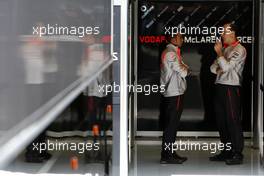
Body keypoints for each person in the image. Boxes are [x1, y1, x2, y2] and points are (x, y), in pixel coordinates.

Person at [209, 23, 246, 165]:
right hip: (220, 87)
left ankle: (237, 153)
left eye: (224, 32)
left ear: (233, 33)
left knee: (232, 120)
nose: (222, 35)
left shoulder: (240, 49)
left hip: (231, 88)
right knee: (221, 121)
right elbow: (213, 68)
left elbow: (226, 67)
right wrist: (221, 64)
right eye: (222, 32)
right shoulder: (225, 49)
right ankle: (226, 151)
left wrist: (219, 55)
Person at [160, 33, 190, 164]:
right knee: (171, 125)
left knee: (171, 124)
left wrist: (185, 68)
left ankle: (169, 152)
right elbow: (184, 71)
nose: (182, 39)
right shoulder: (171, 53)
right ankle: (167, 155)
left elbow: (184, 68)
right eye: (180, 37)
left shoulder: (173, 52)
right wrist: (185, 69)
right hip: (174, 92)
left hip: (174, 91)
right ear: (173, 39)